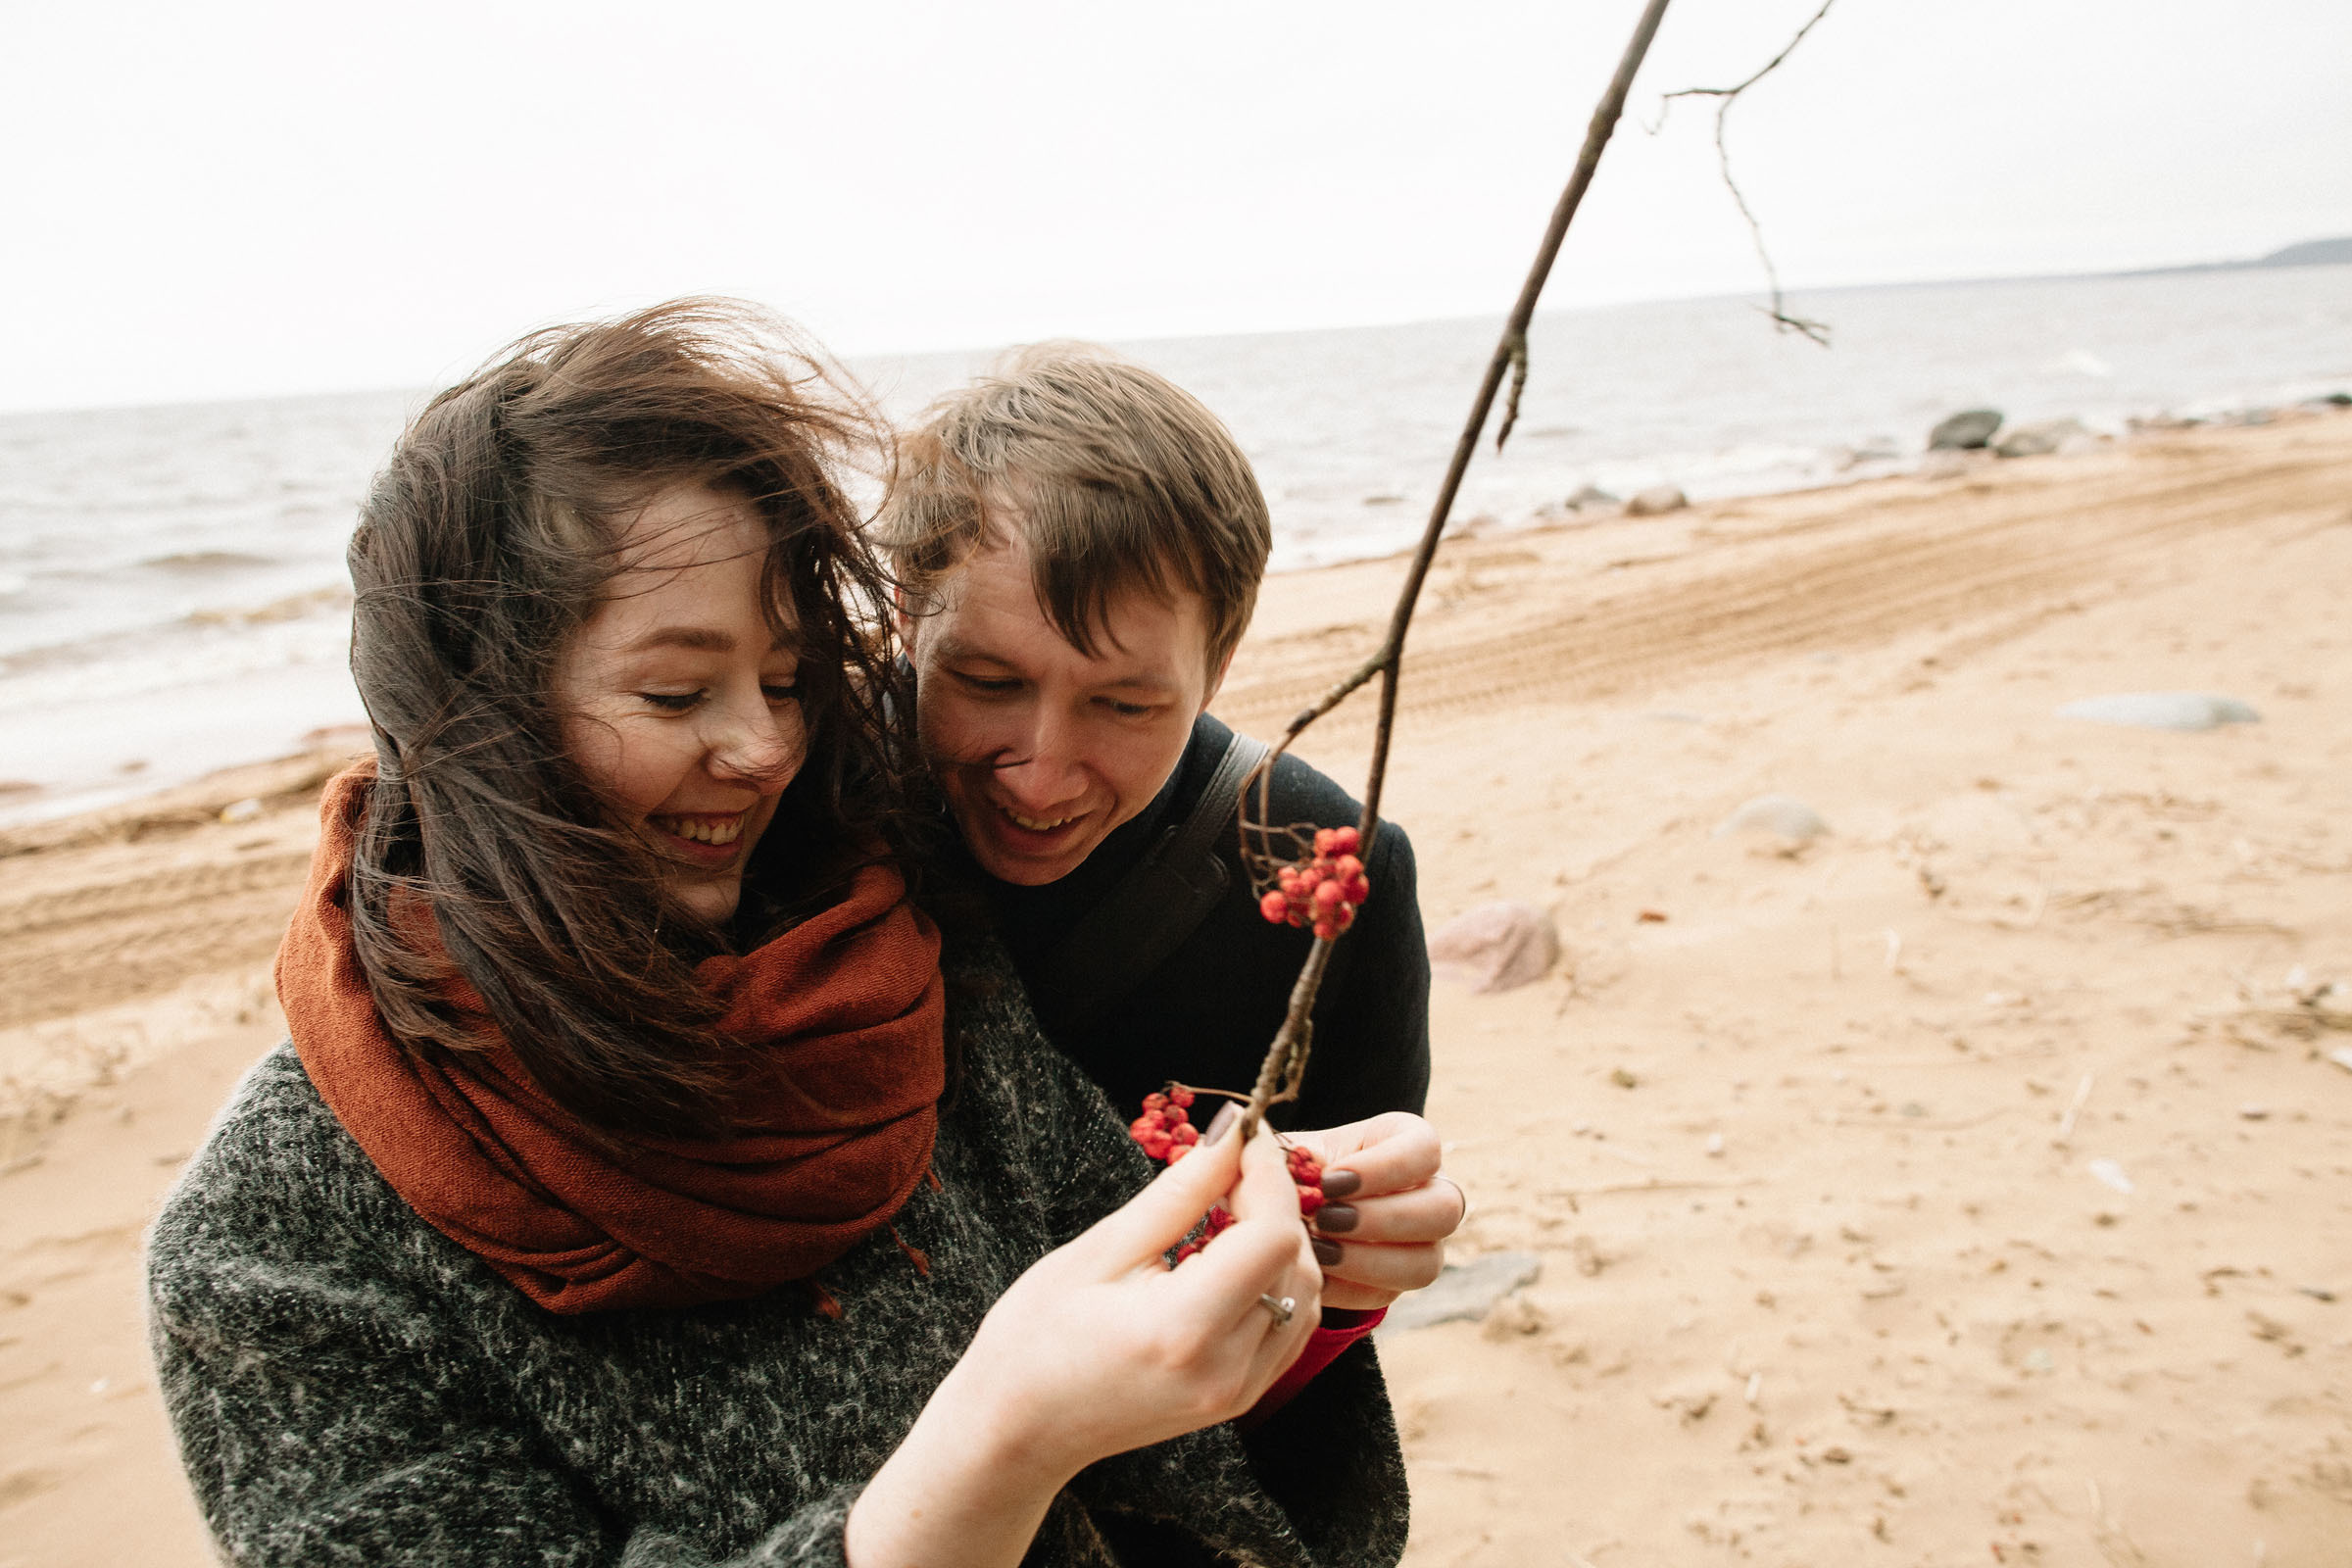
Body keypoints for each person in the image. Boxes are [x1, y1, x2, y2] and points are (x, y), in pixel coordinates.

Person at [145, 301, 1407, 1568]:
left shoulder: (882, 954)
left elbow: (1195, 1456)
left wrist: (1317, 1264)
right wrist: (993, 1445)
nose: (763, 751)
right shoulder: (281, 1238)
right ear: (478, 708)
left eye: (790, 680)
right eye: (678, 691)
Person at [879, 347, 1456, 1318]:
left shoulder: (1332, 867)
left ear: (1219, 665)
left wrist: (1358, 1254)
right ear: (905, 614)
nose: (1041, 769)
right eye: (988, 683)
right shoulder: (796, 804)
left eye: (1124, 704)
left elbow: (1330, 1320)